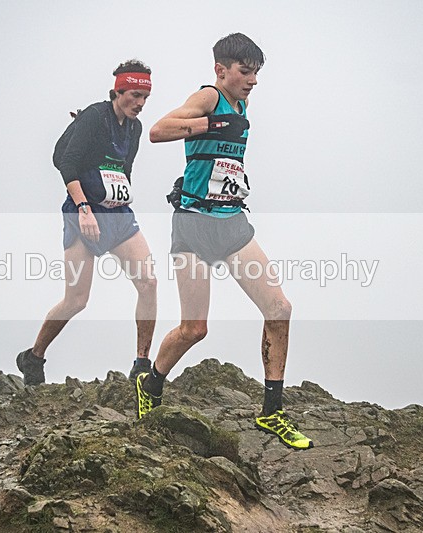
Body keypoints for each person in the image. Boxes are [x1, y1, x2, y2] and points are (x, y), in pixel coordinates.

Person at [136, 33, 313, 450]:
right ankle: (151, 383)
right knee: (195, 329)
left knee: (279, 308)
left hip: (232, 222)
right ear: (222, 69)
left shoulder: (243, 102)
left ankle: (272, 411)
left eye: (256, 73)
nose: (253, 80)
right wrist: (212, 123)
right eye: (245, 72)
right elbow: (158, 131)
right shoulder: (208, 96)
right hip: (195, 224)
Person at [16, 60, 157, 385]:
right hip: (83, 211)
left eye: (145, 98)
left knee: (148, 283)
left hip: (117, 214)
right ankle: (33, 356)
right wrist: (83, 208)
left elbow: (125, 171)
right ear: (119, 90)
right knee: (77, 300)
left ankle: (141, 363)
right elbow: (66, 163)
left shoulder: (134, 129)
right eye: (135, 95)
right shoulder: (94, 116)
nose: (140, 103)